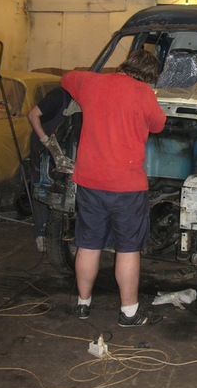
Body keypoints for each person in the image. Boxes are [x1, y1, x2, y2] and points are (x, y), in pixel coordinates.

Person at [61, 49, 166, 326]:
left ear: (125, 64)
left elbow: (66, 78)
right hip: (127, 186)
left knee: (88, 244)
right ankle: (128, 313)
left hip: (90, 182)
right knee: (128, 248)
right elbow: (158, 125)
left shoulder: (91, 83)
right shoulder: (143, 93)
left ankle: (83, 304)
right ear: (150, 76)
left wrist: (97, 79)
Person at [28, 86, 71, 252]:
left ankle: (57, 232)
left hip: (61, 147)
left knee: (61, 188)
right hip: (43, 147)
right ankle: (41, 233)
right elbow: (33, 115)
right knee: (42, 187)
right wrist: (46, 141)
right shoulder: (58, 96)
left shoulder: (80, 100)